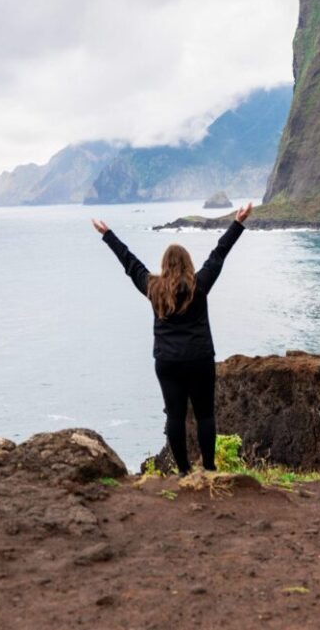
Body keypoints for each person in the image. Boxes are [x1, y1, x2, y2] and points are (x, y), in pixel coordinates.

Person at [91, 203, 252, 475]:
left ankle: (183, 471)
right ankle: (209, 468)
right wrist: (237, 222)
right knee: (205, 415)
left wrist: (108, 234)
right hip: (199, 358)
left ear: (164, 265)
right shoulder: (200, 285)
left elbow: (130, 263)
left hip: (167, 362)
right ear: (188, 263)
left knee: (175, 416)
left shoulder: (153, 287)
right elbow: (219, 254)